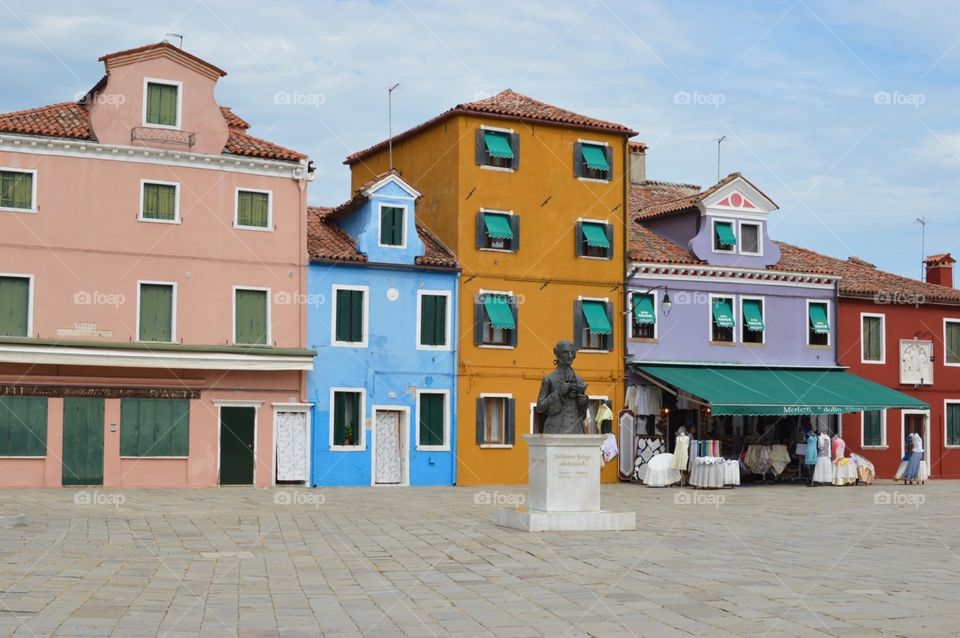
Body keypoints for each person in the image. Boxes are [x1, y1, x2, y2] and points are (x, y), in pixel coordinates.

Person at [536, 340, 589, 434]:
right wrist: (559, 393)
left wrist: (584, 402)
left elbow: (582, 413)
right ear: (556, 353)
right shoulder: (549, 379)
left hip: (577, 431)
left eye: (572, 353)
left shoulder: (579, 379)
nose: (569, 356)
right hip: (556, 430)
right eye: (565, 352)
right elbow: (540, 407)